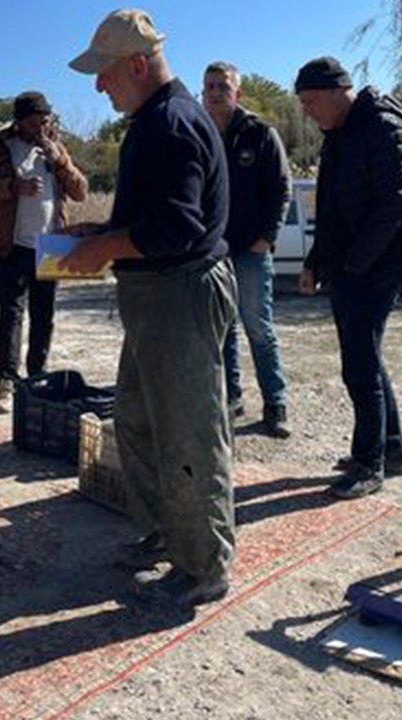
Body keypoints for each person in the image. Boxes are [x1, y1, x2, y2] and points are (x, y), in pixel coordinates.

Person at [63, 8, 237, 607]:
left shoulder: (172, 124)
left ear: (137, 65)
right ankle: (170, 534)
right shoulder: (154, 121)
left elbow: (175, 226)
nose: (97, 85)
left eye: (104, 73)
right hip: (155, 296)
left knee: (189, 433)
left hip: (179, 295)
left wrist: (106, 246)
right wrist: (102, 233)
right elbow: (155, 216)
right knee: (138, 422)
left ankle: (205, 566)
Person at [294, 57, 402, 499]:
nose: (307, 112)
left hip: (382, 264)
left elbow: (394, 206)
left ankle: (368, 463)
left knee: (359, 365)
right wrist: (315, 261)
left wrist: (356, 266)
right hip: (353, 264)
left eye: (311, 101)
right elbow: (331, 210)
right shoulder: (337, 136)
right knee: (367, 357)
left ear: (339, 90)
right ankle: (390, 450)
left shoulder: (383, 127)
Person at [0, 92, 89, 414]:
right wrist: (11, 188)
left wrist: (59, 160)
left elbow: (81, 191)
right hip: (12, 244)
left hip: (53, 244)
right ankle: (6, 384)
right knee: (11, 315)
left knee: (44, 316)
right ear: (18, 122)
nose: (40, 128)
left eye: (45, 121)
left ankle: (37, 377)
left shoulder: (54, 146)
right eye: (34, 122)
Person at [202, 61, 293, 439]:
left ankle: (276, 403)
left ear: (237, 93)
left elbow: (282, 189)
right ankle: (231, 398)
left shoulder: (260, 134)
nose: (216, 92)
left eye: (223, 86)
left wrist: (266, 238)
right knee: (222, 330)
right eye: (209, 86)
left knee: (258, 327)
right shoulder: (199, 133)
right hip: (213, 252)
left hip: (252, 251)